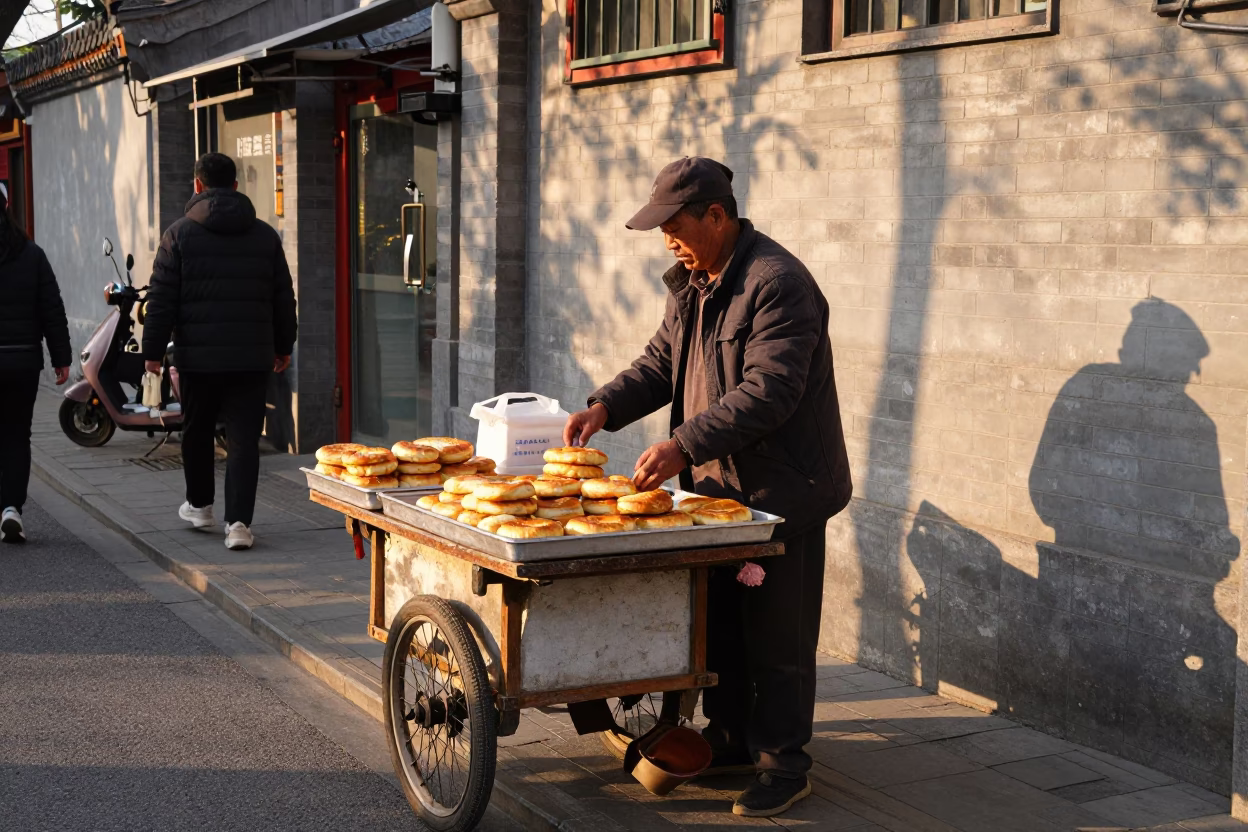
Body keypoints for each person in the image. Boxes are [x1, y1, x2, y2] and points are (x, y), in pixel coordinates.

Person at [564, 157, 852, 818]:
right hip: (720, 493)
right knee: (719, 624)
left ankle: (784, 763)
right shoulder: (695, 281)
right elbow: (662, 361)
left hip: (785, 492)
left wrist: (682, 445)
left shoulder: (778, 285)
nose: (667, 241)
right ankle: (729, 741)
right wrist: (605, 406)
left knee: (779, 636)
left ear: (716, 217)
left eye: (675, 226)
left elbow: (769, 392)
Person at [141, 153, 297, 551]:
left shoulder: (178, 235)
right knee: (245, 437)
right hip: (251, 358)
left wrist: (153, 354)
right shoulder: (264, 236)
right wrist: (284, 346)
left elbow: (161, 300)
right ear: (235, 187)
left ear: (197, 186)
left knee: (196, 430)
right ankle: (239, 524)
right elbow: (283, 298)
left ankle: (200, 506)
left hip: (198, 358)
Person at [0, 183, 72, 543]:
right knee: (16, 435)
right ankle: (11, 507)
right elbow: (51, 309)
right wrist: (62, 359)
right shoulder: (31, 254)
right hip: (23, 361)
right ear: (7, 206)